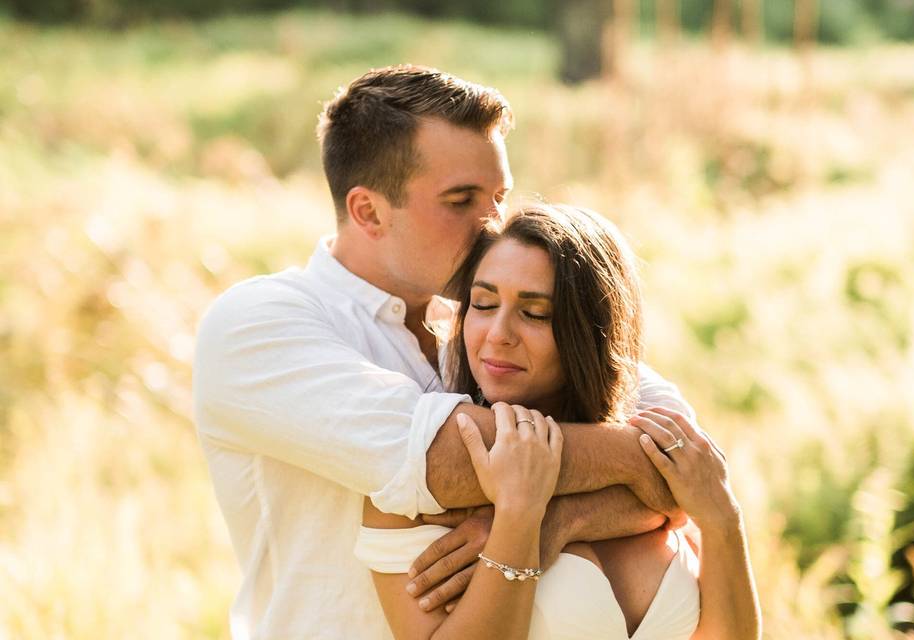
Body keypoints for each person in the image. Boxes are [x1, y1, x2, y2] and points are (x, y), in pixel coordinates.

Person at [193, 65, 697, 639]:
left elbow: (690, 457)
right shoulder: (261, 323)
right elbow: (448, 464)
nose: (493, 227)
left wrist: (551, 519)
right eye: (462, 200)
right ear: (368, 212)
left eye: (499, 198)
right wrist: (635, 459)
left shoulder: (492, 321)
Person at [357, 204, 760, 639]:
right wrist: (517, 519)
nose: (498, 334)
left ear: (590, 331)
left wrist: (723, 519)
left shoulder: (649, 479)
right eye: (484, 303)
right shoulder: (419, 484)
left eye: (535, 314)